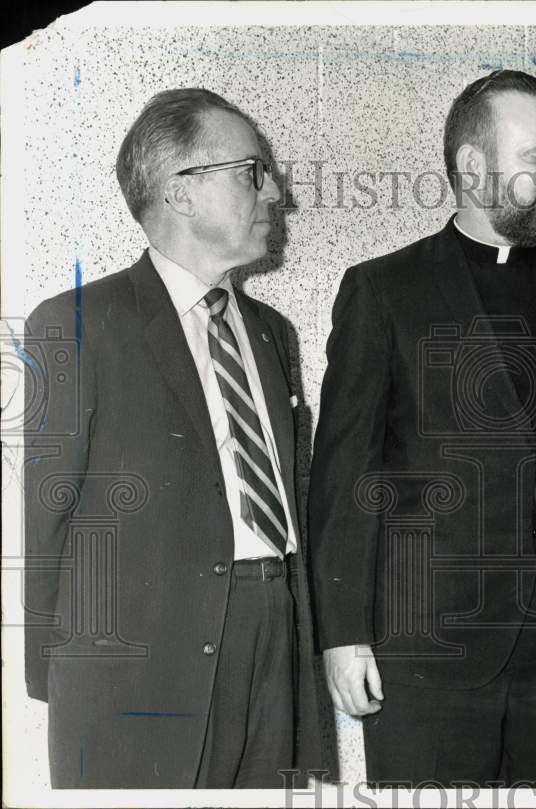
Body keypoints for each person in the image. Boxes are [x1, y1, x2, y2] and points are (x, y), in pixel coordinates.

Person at [308, 69, 536, 787]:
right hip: (427, 652)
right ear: (474, 167)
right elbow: (344, 475)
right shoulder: (384, 290)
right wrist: (342, 632)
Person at [22, 88, 321, 788]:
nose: (274, 190)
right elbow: (49, 520)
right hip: (143, 678)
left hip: (274, 641)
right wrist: (59, 682)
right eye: (252, 170)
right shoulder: (75, 323)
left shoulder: (274, 334)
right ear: (181, 192)